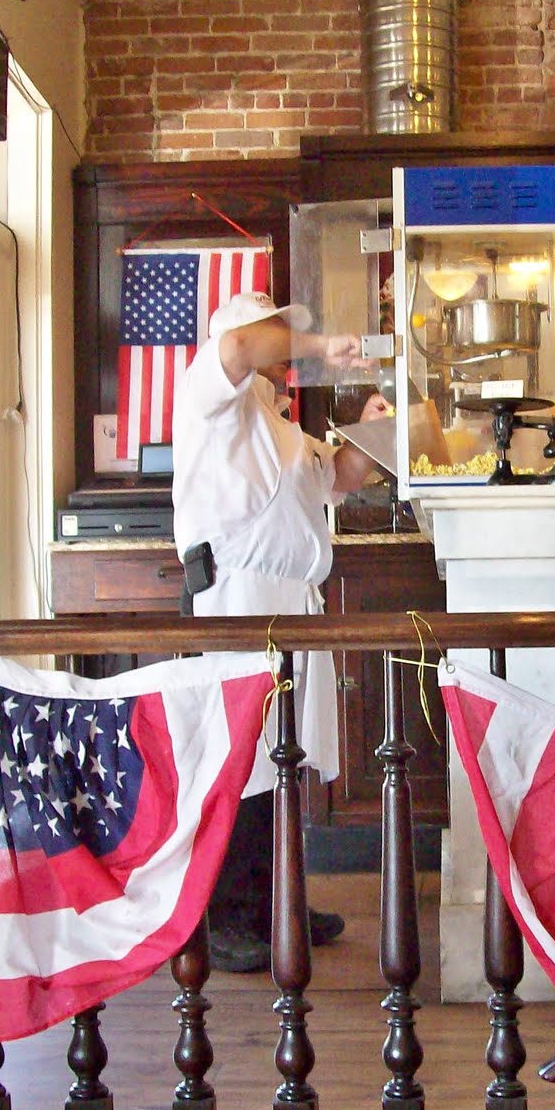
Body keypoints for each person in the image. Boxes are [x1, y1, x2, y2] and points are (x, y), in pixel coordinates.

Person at [172, 289, 389, 972]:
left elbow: (340, 476)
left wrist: (375, 430)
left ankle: (277, 902)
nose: (279, 348)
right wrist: (324, 345)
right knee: (239, 758)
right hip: (235, 598)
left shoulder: (280, 423)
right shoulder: (210, 395)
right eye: (273, 334)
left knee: (283, 757)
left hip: (291, 601)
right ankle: (225, 915)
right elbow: (241, 346)